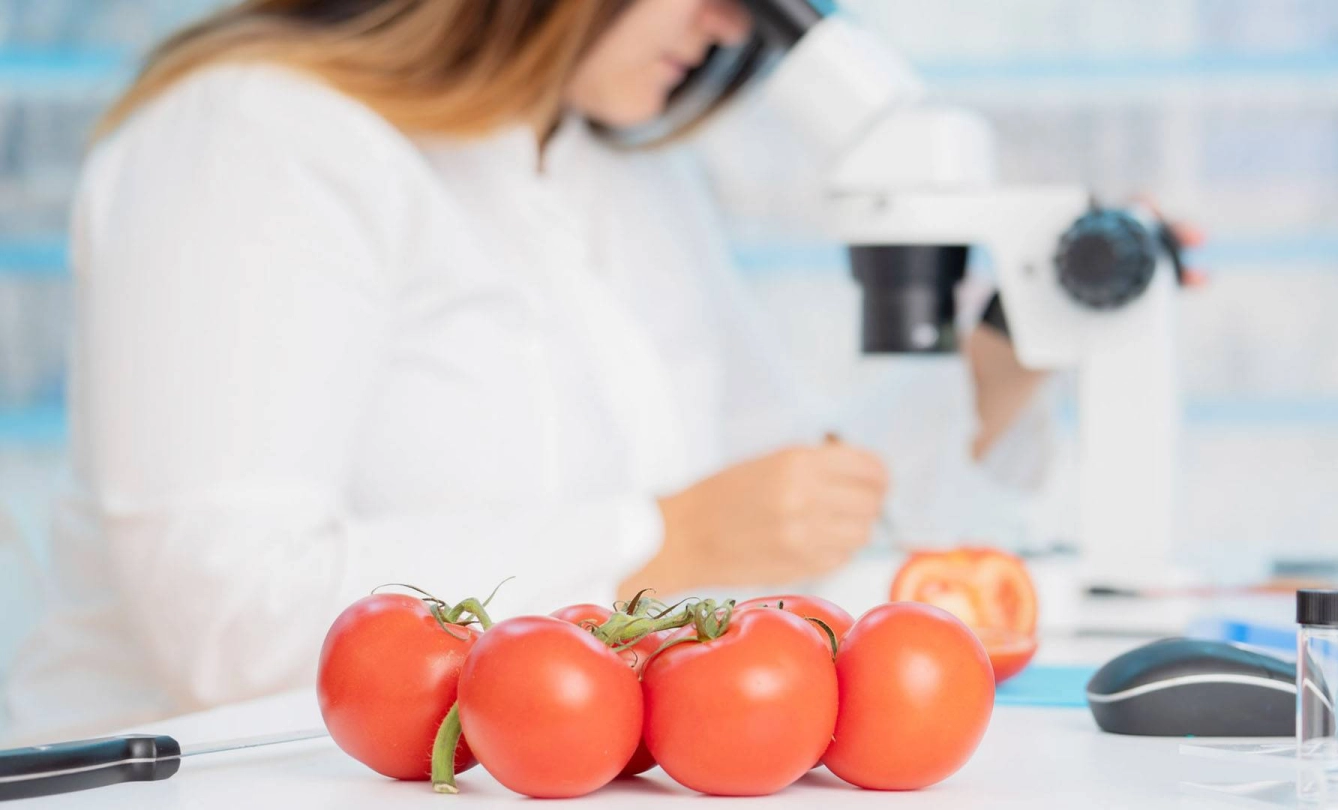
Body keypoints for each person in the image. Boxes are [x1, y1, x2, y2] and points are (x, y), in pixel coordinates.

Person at [5, 0, 1067, 740]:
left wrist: (1000, 363)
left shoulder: (616, 165)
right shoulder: (252, 136)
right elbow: (229, 621)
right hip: (199, 775)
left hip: (523, 771)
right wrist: (660, 546)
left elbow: (786, 506)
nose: (731, 25)